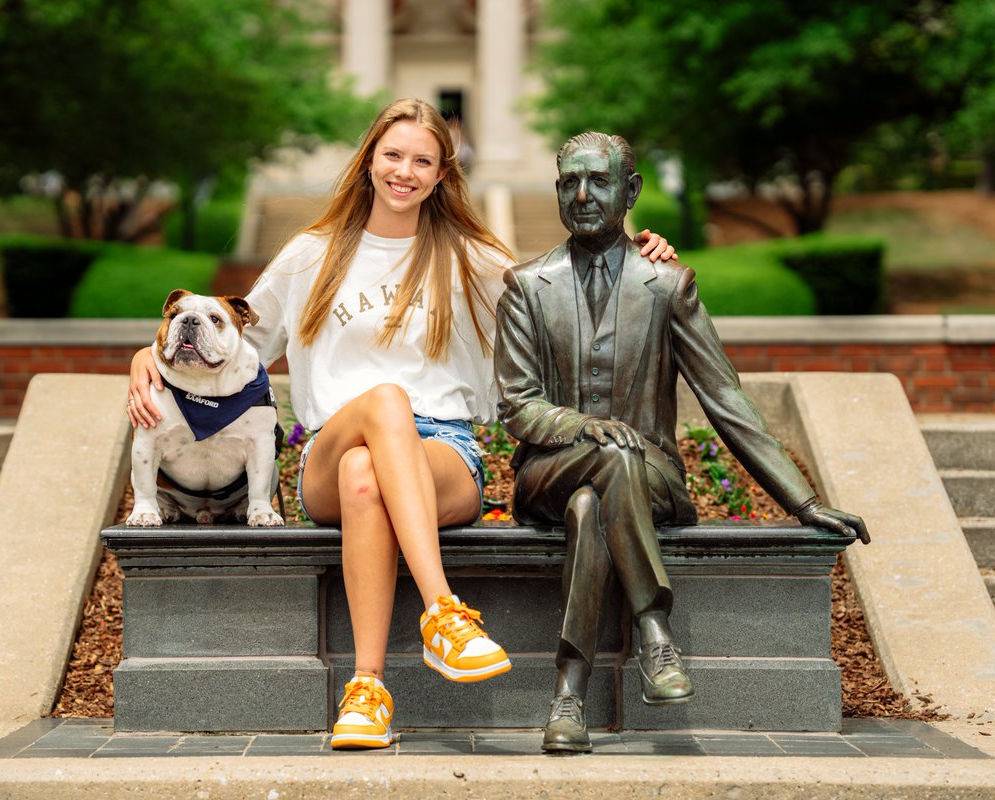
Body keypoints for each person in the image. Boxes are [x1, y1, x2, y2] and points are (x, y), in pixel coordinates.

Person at [126, 100, 676, 750]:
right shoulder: (313, 255)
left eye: (423, 160)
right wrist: (149, 352)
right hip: (331, 447)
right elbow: (234, 337)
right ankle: (442, 612)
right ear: (369, 161)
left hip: (443, 451)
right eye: (393, 155)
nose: (405, 171)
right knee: (379, 411)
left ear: (443, 174)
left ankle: (366, 692)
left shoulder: (471, 257)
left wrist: (640, 252)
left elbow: (572, 290)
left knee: (369, 478)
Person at [494, 131, 870, 754]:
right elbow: (518, 404)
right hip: (549, 472)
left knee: (595, 502)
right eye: (568, 183)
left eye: (598, 181)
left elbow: (726, 400)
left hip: (652, 477)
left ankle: (568, 694)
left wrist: (804, 503)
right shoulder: (527, 286)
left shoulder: (668, 286)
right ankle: (652, 626)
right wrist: (585, 427)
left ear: (630, 190)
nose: (582, 195)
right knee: (602, 465)